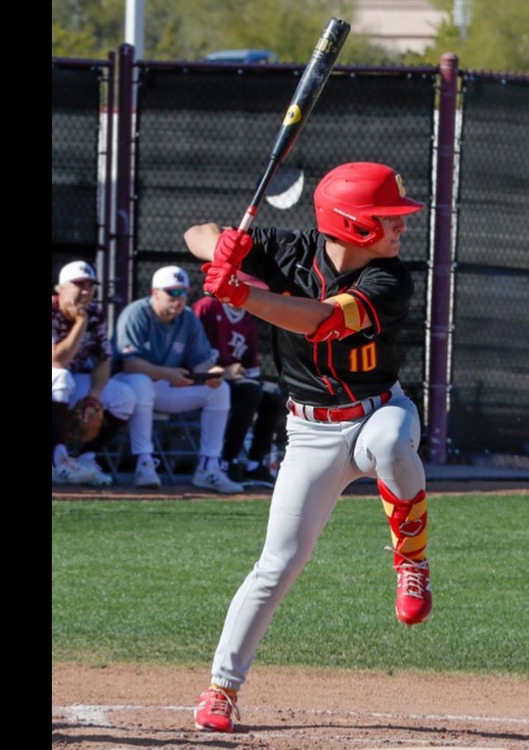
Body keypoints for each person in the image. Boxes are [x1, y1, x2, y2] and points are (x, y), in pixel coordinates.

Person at [183, 162, 431, 734]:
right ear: (352, 225)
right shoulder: (287, 250)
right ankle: (221, 688)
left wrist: (241, 290)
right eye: (387, 219)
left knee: (394, 442)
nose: (400, 227)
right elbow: (195, 233)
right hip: (310, 433)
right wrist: (222, 247)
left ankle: (411, 559)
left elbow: (318, 321)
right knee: (277, 565)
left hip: (378, 412)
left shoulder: (392, 279)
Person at [110, 265, 244, 493]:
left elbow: (199, 360)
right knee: (142, 384)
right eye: (173, 292)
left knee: (220, 391)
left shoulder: (188, 318)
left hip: (164, 386)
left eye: (183, 293)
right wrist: (168, 374)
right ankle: (144, 463)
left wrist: (210, 373)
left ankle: (208, 467)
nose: (179, 299)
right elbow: (129, 363)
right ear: (155, 293)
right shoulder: (137, 313)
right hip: (126, 384)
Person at [51, 260, 137, 485]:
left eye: (91, 286)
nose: (86, 291)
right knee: (61, 375)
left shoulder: (94, 314)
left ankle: (86, 459)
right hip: (57, 377)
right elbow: (57, 360)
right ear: (61, 288)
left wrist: (93, 397)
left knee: (124, 396)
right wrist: (80, 322)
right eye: (80, 285)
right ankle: (57, 460)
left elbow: (103, 360)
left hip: (66, 384)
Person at [192, 286, 288, 486]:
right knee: (250, 391)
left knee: (272, 394)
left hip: (235, 382)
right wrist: (225, 371)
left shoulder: (247, 320)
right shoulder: (208, 307)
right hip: (204, 379)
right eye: (248, 289)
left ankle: (255, 463)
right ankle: (229, 460)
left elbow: (251, 370)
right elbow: (191, 352)